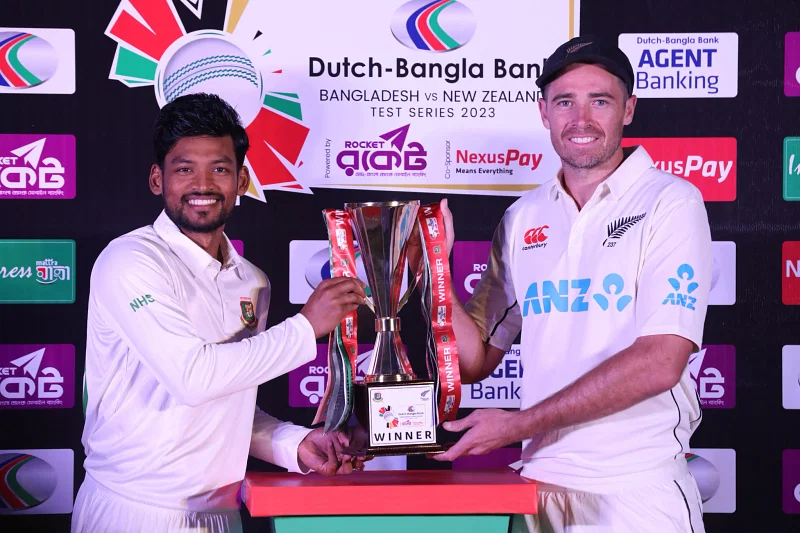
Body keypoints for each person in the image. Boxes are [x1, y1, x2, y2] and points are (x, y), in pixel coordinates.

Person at [433, 36, 712, 532]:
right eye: (565, 101)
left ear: (629, 109)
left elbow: (660, 360)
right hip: (538, 488)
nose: (580, 118)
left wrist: (516, 426)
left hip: (635, 489)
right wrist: (435, 267)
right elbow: (474, 361)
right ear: (543, 112)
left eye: (599, 101)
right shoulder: (524, 216)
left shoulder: (671, 201)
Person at [72, 93, 367, 533]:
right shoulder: (130, 260)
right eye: (185, 168)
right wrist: (306, 327)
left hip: (223, 513)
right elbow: (194, 379)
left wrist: (295, 443)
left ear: (242, 179)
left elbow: (226, 403)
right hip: (134, 511)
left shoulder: (253, 282)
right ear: (158, 179)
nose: (203, 184)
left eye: (221, 168)